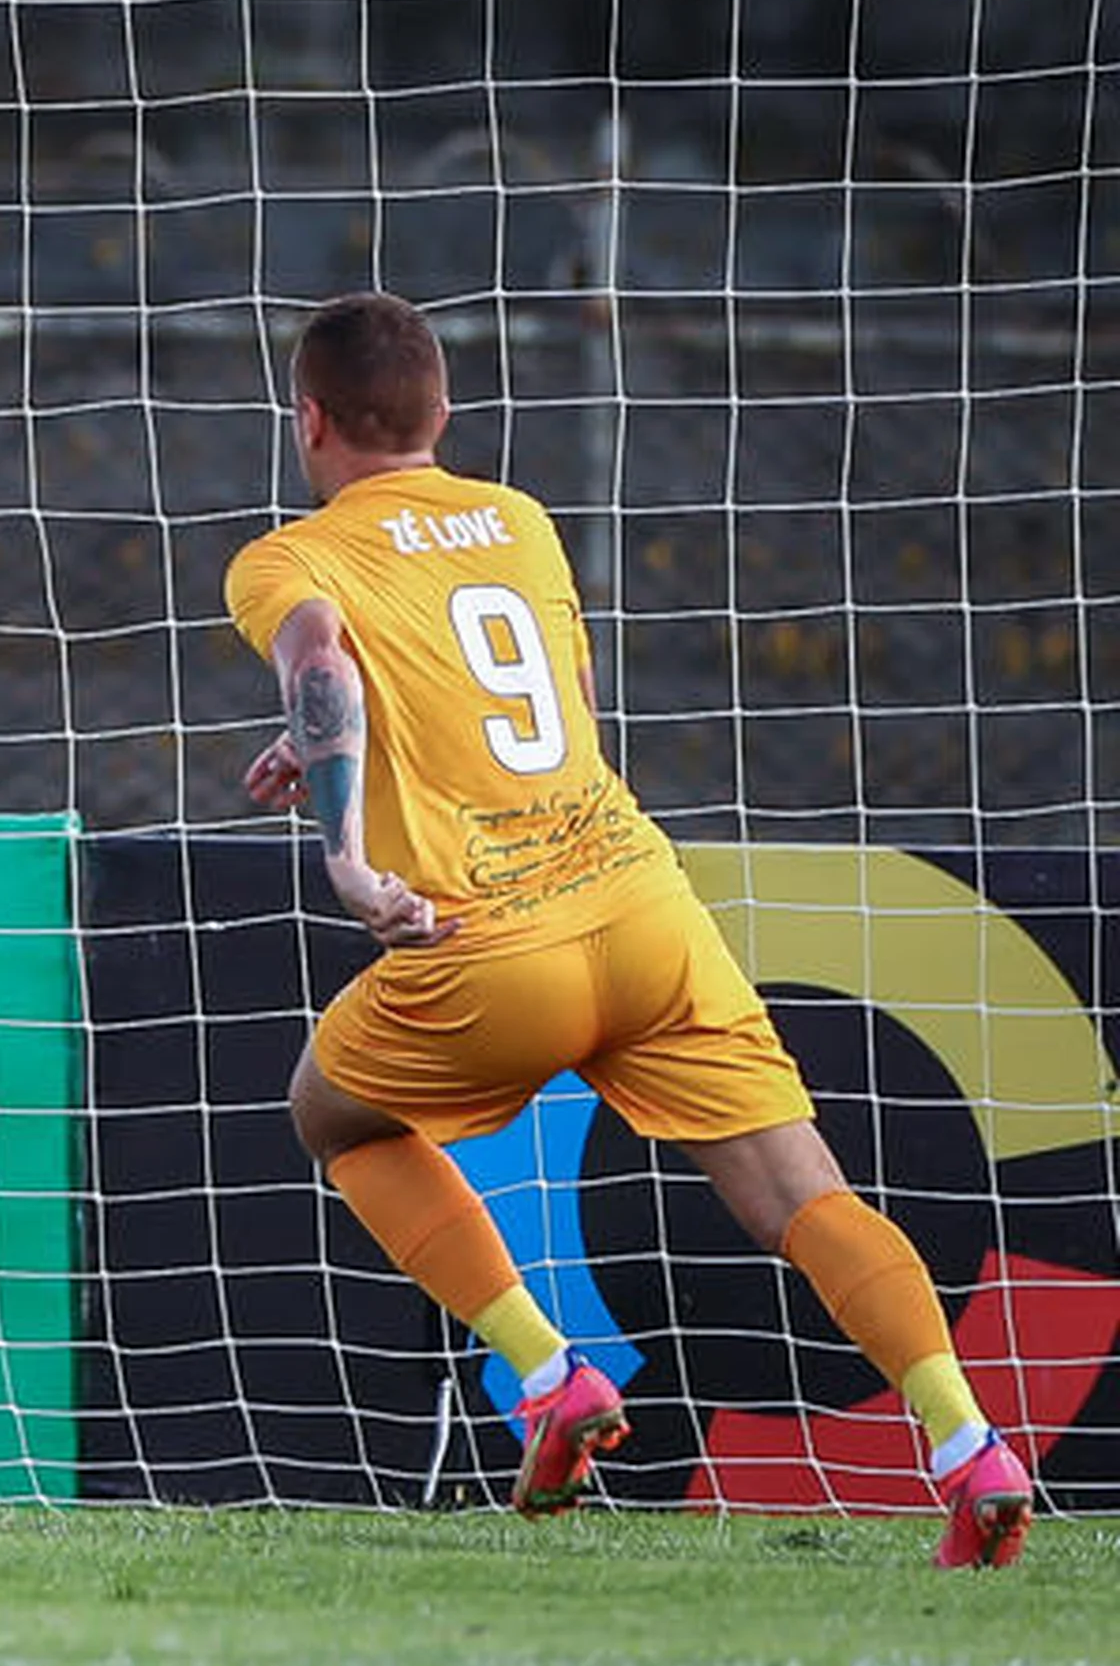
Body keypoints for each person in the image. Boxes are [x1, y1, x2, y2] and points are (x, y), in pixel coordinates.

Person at [228, 290, 1029, 1565]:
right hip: (643, 910)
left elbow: (323, 654)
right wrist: (337, 741)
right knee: (803, 1193)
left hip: (489, 942)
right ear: (445, 412)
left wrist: (348, 852)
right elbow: (549, 703)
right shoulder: (525, 524)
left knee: (333, 1113)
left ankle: (550, 1377)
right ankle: (966, 1440)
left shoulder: (292, 555)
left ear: (309, 417)